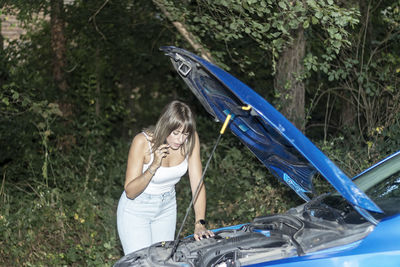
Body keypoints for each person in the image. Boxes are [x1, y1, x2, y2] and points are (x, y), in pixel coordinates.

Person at [117, 100, 214, 255]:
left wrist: (200, 222)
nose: (180, 140)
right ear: (165, 126)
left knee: (163, 261)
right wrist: (153, 167)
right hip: (136, 209)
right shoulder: (142, 142)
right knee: (142, 263)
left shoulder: (190, 140)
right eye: (175, 133)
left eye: (185, 134)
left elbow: (197, 184)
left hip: (166, 207)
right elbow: (130, 192)